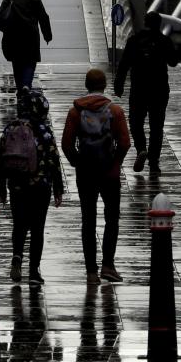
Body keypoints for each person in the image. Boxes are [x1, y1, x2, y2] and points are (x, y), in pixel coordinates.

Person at [62, 68, 131, 283]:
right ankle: (108, 266)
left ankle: (91, 271)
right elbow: (126, 143)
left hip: (86, 173)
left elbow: (66, 144)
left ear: (86, 85)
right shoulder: (115, 111)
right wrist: (115, 163)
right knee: (112, 219)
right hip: (109, 174)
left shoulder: (75, 112)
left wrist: (77, 162)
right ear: (104, 85)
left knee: (88, 220)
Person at [0, 88, 63, 285]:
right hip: (40, 186)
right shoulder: (44, 131)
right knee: (37, 228)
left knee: (19, 224)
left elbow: (1, 159)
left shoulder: (10, 129)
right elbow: (53, 160)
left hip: (17, 185)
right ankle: (34, 271)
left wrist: (0, 184)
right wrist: (58, 187)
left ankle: (17, 255)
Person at [114, 10, 179, 175]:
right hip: (159, 90)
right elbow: (173, 62)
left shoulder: (134, 41)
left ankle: (141, 148)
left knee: (136, 123)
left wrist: (119, 84)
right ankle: (154, 162)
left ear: (145, 23)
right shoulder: (164, 41)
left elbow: (124, 65)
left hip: (139, 89)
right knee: (157, 127)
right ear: (159, 24)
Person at [0, 0, 52, 89]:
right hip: (30, 34)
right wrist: (47, 35)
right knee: (30, 61)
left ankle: (20, 86)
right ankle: (27, 84)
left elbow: (1, 14)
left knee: (17, 62)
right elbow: (43, 17)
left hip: (12, 34)